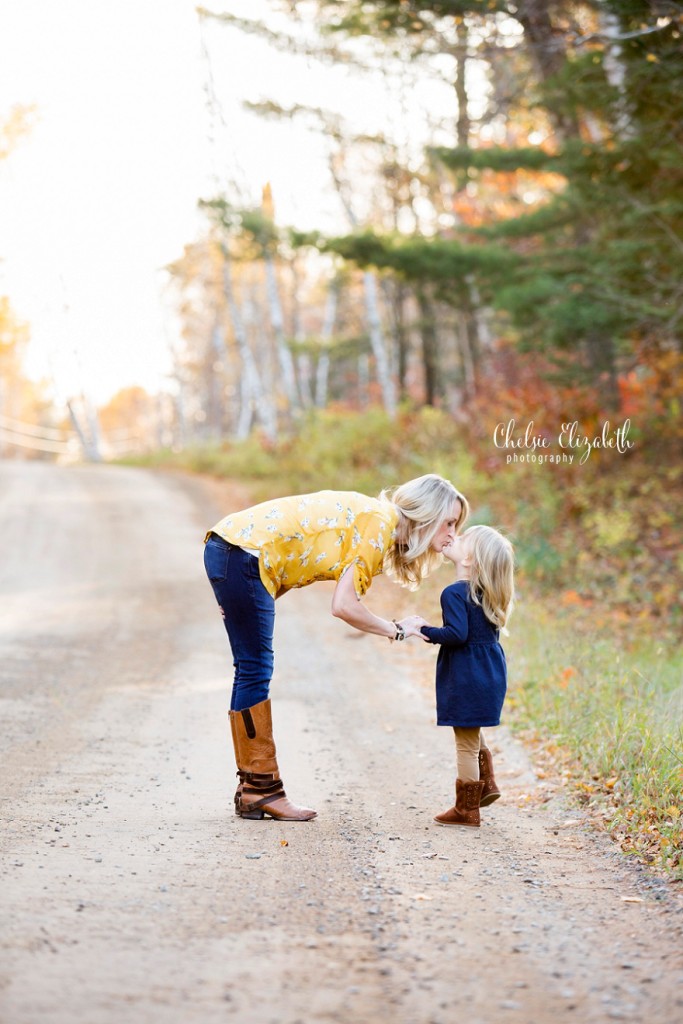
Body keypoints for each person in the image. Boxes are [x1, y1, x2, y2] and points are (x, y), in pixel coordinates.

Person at [204, 474, 469, 822]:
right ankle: (260, 789)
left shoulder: (378, 520)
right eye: (448, 522)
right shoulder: (380, 525)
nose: (453, 533)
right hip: (241, 553)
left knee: (252, 665)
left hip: (232, 550)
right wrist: (396, 630)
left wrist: (243, 599)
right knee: (254, 667)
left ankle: (253, 788)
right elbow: (344, 606)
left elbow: (292, 557)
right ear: (427, 513)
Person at [403, 525, 515, 828]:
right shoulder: (489, 594)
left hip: (467, 674)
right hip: (490, 672)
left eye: (463, 539)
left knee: (465, 741)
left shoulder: (454, 592)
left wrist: (422, 630)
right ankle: (486, 783)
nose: (455, 537)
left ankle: (466, 809)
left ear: (470, 560)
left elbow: (456, 634)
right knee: (472, 729)